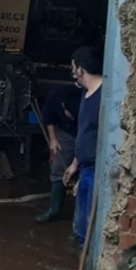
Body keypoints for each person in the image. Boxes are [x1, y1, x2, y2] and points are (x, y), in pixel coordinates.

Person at [62, 46, 104, 246]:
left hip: (98, 170)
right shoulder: (86, 94)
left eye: (73, 67)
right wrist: (74, 165)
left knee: (89, 230)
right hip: (86, 168)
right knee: (81, 229)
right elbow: (85, 134)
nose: (72, 72)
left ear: (80, 69)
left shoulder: (105, 96)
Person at [35, 82, 81, 223]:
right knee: (57, 168)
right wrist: (53, 139)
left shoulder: (86, 101)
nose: (72, 117)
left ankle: (78, 220)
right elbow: (48, 118)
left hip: (84, 132)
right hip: (65, 131)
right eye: (70, 115)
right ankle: (54, 210)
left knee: (85, 172)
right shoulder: (56, 96)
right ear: (63, 107)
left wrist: (76, 163)